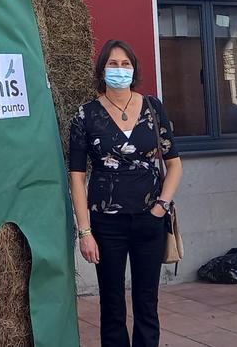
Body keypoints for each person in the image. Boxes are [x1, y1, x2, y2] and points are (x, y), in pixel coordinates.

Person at [69, 39, 183, 347]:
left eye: (125, 64)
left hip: (150, 220)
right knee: (112, 304)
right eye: (113, 64)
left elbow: (174, 165)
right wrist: (85, 232)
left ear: (134, 70)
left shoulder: (153, 108)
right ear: (101, 70)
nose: (120, 70)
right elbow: (76, 178)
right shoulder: (85, 115)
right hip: (106, 225)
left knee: (147, 302)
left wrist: (162, 205)